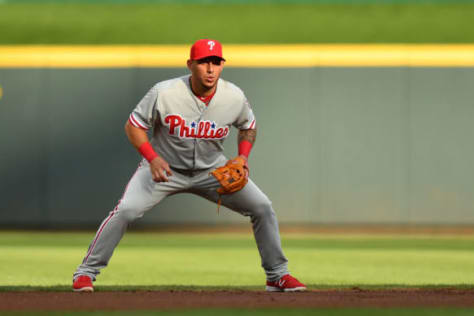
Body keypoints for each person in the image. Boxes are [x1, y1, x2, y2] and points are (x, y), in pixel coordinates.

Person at [72, 39, 306, 293]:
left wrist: (242, 157)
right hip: (164, 169)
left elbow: (248, 126)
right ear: (190, 65)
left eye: (216, 62)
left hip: (212, 172)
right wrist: (152, 157)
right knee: (126, 211)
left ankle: (277, 275)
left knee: (262, 207)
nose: (210, 68)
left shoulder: (233, 96)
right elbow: (134, 125)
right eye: (204, 62)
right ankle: (86, 273)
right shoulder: (165, 92)